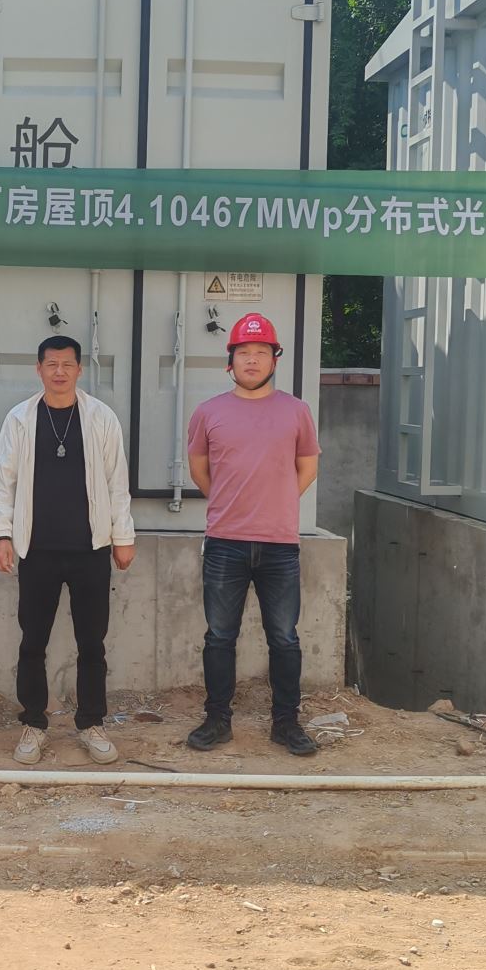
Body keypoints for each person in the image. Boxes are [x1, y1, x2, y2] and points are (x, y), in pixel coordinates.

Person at [181, 312, 322, 757]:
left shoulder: (297, 411)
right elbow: (199, 470)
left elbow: (308, 467)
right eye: (244, 352)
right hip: (225, 543)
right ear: (231, 360)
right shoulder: (208, 413)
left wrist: (276, 501)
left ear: (274, 359)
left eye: (261, 352)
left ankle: (286, 723)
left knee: (284, 637)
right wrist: (232, 502)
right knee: (220, 636)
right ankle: (217, 719)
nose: (253, 360)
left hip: (280, 545)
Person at [0, 335, 136, 766]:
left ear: (79, 369)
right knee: (32, 641)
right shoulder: (20, 419)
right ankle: (34, 724)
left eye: (67, 364)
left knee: (92, 642)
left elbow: (117, 482)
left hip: (91, 548)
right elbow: (5, 483)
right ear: (39, 369)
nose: (59, 371)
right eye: (51, 364)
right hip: (36, 549)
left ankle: (91, 723)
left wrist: (123, 537)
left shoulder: (100, 417)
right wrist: (2, 535)